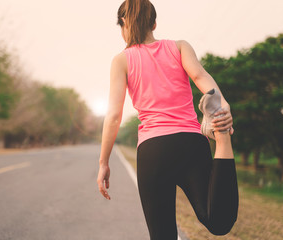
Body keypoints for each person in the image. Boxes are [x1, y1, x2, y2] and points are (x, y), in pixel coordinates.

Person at [96, 0, 239, 239]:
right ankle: (222, 139)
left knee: (162, 235)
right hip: (191, 143)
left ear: (123, 26)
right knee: (218, 221)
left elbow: (113, 116)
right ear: (154, 23)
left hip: (154, 150)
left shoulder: (121, 60)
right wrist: (223, 106)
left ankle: (221, 133)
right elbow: (200, 76)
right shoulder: (180, 47)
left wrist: (103, 163)